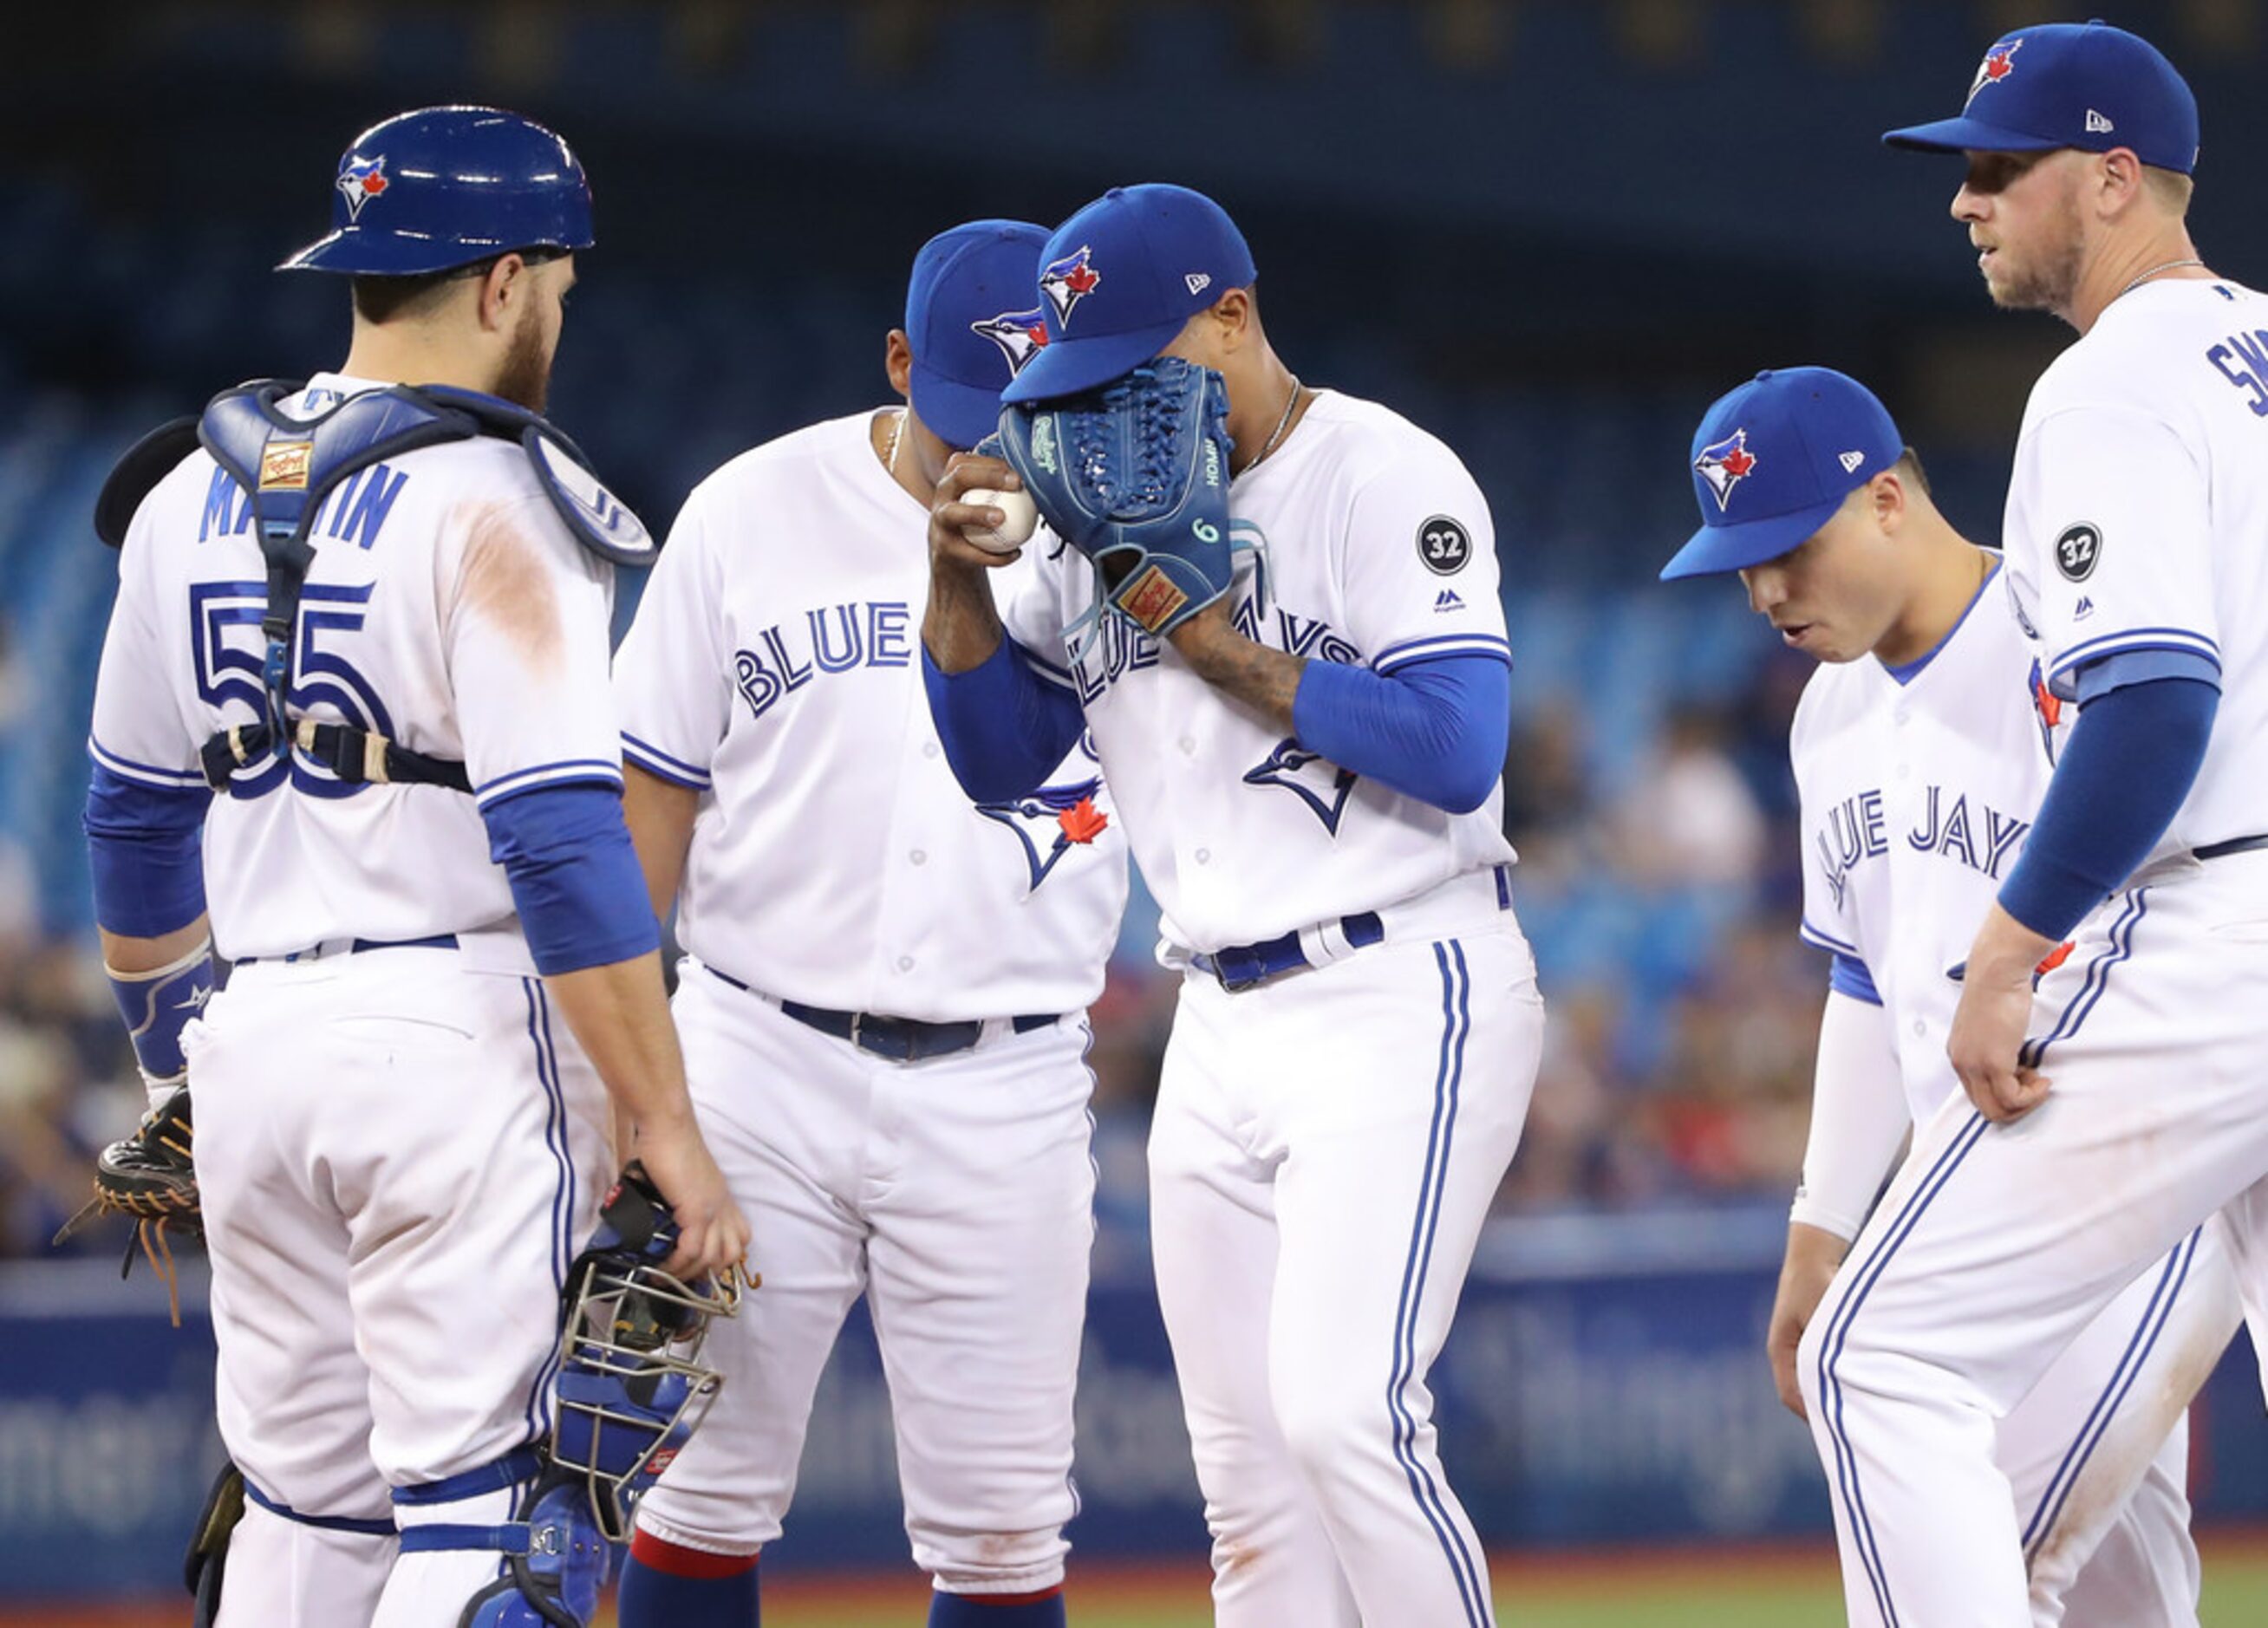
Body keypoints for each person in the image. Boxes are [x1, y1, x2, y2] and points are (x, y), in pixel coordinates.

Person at [81, 106, 746, 1627]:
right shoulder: (498, 498)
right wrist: (663, 1119)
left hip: (254, 1045)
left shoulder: (183, 493)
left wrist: (180, 1061)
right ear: (503, 281)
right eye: (557, 289)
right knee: (486, 1520)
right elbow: (563, 842)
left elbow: (129, 821)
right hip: (454, 1044)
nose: (557, 318)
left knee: (302, 1511)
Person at [922, 183, 1541, 1628]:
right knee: (1251, 1498)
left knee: (1346, 1418)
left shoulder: (1383, 473)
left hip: (1399, 978)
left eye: (1142, 362)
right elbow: (998, 761)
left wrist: (1218, 648)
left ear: (1236, 315)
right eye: (1083, 378)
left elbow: (1460, 748)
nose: (1110, 406)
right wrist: (952, 582)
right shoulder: (1090, 516)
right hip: (1214, 1013)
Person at [1791, 23, 2268, 1624]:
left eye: (2002, 167)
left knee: (1882, 1351)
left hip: (2224, 920)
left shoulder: (2110, 380)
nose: (1967, 200)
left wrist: (2008, 948)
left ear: (2117, 177)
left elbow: (2152, 705)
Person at [609, 221, 1128, 1628]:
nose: (992, 459)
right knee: (697, 1490)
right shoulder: (748, 510)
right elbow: (644, 803)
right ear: (900, 364)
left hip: (1007, 1073)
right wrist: (629, 1089)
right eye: (971, 418)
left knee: (1007, 1529)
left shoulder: (1122, 534)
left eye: (1032, 421)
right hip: (754, 1055)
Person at [1665, 364, 2241, 1625]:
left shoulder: (2062, 633)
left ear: (1884, 499)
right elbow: (1864, 977)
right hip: (1972, 1198)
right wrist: (1821, 1228)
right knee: (2116, 1607)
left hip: (2137, 1168)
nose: (1765, 591)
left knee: (1975, 1560)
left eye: (1788, 549)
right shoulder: (1824, 717)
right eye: (1741, 563)